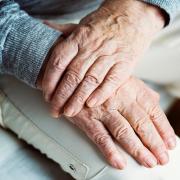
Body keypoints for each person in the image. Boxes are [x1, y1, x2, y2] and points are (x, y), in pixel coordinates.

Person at [0, 0, 180, 179]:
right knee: (152, 172)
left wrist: (137, 14)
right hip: (29, 33)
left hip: (131, 11)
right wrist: (67, 67)